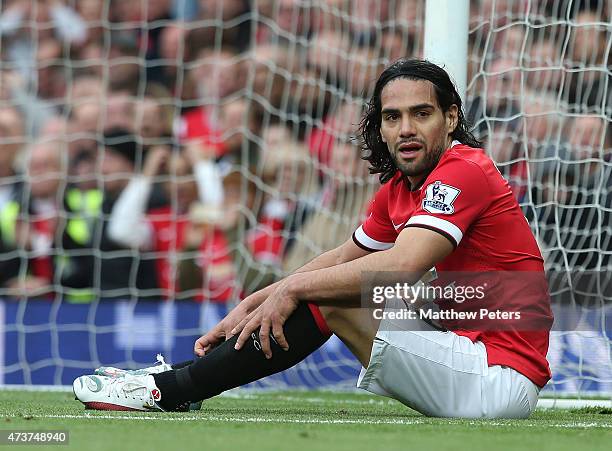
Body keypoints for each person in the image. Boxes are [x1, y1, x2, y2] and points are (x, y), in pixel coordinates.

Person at [73, 59, 553, 418]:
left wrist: (291, 290)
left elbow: (398, 267)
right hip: (466, 343)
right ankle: (174, 378)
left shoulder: (464, 170)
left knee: (339, 298)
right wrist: (254, 302)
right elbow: (344, 256)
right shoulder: (400, 190)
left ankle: (170, 392)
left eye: (421, 113)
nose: (405, 129)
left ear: (450, 118)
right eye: (392, 117)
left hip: (499, 378)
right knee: (331, 283)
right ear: (379, 128)